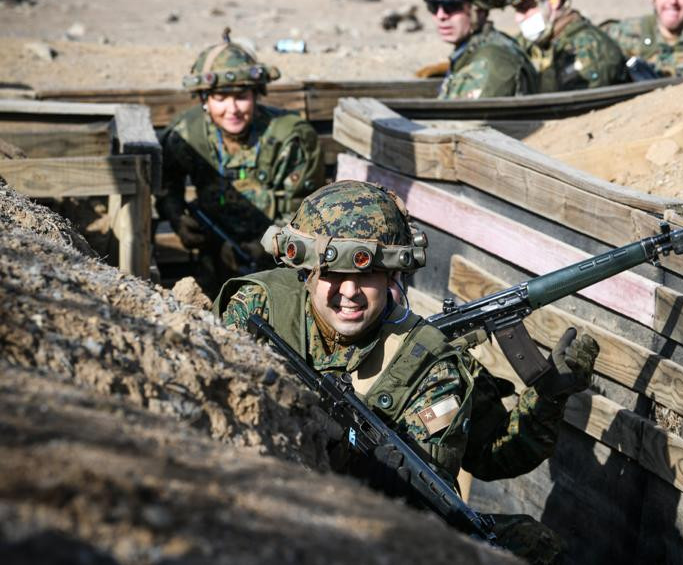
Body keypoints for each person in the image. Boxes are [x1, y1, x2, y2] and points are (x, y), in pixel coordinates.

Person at [215, 180, 599, 564]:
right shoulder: (260, 311)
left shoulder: (431, 362)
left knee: (533, 544)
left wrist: (547, 397)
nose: (349, 292)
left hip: (386, 535)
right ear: (308, 273)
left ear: (392, 277)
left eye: (366, 275)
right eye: (333, 272)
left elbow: (492, 457)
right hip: (267, 511)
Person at [157, 28, 324, 296]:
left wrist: (264, 248)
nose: (232, 109)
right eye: (220, 98)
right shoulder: (188, 134)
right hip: (211, 258)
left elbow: (304, 211)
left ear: (257, 94)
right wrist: (178, 220)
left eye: (241, 96)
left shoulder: (291, 137)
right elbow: (167, 183)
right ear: (204, 100)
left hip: (282, 263)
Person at [415, 0, 538, 100]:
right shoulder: (472, 51)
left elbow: (472, 121)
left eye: (451, 6)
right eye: (433, 6)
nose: (441, 15)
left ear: (479, 9)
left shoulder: (493, 62)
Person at [500, 0, 627, 93]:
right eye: (516, 10)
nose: (518, 18)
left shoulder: (593, 50)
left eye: (525, 8)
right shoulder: (526, 44)